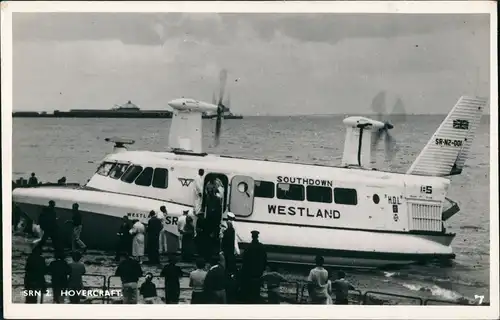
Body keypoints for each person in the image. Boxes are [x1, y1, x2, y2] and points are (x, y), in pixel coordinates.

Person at [241, 230, 267, 304]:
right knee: (257, 286)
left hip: (249, 272)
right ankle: (256, 298)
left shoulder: (248, 247)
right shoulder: (261, 246)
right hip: (258, 271)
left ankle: (249, 299)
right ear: (257, 237)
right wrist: (263, 269)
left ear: (252, 237)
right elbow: (265, 259)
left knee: (249, 286)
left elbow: (244, 259)